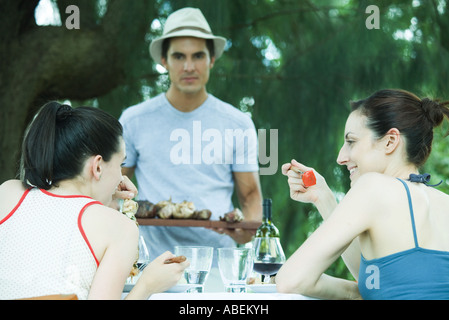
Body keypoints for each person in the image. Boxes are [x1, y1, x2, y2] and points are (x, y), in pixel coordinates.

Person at [119, 7, 262, 289]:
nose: (189, 66)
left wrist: (244, 232)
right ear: (164, 60)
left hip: (219, 271)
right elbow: (113, 189)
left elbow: (250, 196)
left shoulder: (238, 123)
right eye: (179, 56)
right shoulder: (134, 120)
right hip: (152, 269)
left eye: (198, 56)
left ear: (211, 60)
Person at [0, 102, 188, 300]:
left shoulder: (8, 192)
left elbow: (53, 208)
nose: (122, 176)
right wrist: (148, 285)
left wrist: (101, 189)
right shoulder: (119, 228)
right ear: (97, 166)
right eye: (120, 165)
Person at [277, 89, 449, 300]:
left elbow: (291, 280)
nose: (341, 157)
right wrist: (322, 197)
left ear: (390, 141)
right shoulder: (444, 203)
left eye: (351, 142)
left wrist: (354, 294)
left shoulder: (373, 187)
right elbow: (378, 283)